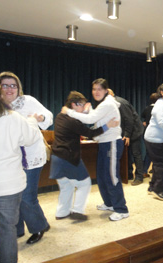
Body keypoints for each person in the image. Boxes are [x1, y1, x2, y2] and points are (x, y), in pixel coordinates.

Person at [0, 78, 41, 263]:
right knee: (7, 230)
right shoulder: (13, 118)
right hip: (9, 186)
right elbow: (31, 138)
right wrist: (32, 121)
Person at [0, 72, 52, 244]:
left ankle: (39, 226)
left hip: (31, 157)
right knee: (13, 194)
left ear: (18, 88)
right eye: (5, 85)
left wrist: (41, 117)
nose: (9, 89)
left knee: (27, 196)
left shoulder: (27, 101)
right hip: (9, 159)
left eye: (13, 85)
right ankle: (17, 228)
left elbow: (48, 116)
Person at [61, 78, 129, 221]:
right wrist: (89, 110)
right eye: (94, 89)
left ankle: (122, 209)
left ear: (105, 90)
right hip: (104, 143)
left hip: (112, 143)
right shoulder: (103, 105)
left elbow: (91, 119)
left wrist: (70, 112)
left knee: (111, 176)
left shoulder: (108, 104)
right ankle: (110, 203)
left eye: (99, 89)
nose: (96, 92)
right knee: (102, 176)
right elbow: (96, 119)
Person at [50, 91, 119, 221]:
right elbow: (90, 133)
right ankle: (77, 210)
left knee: (66, 186)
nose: (83, 107)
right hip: (68, 157)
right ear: (74, 105)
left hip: (56, 158)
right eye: (81, 105)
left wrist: (86, 112)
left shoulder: (60, 116)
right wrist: (107, 126)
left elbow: (80, 122)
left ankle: (62, 212)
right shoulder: (72, 121)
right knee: (85, 183)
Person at [108, 89, 145, 186]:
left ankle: (139, 176)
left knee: (136, 153)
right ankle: (128, 174)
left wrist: (127, 135)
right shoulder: (112, 104)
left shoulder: (120, 103)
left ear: (111, 94)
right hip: (126, 131)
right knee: (126, 154)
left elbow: (129, 119)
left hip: (134, 131)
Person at [141, 93, 158, 177]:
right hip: (156, 133)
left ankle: (144, 171)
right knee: (156, 152)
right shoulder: (159, 109)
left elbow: (142, 115)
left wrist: (145, 122)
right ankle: (154, 170)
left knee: (149, 152)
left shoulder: (147, 108)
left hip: (147, 132)